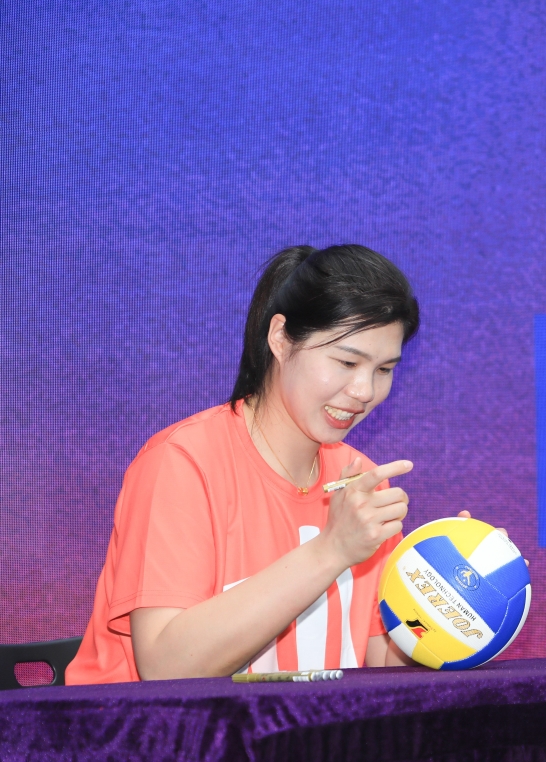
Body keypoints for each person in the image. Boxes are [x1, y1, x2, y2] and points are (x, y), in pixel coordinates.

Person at [68, 244, 447, 683]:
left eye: (384, 370)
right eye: (347, 361)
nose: (365, 390)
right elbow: (167, 667)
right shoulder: (184, 463)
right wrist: (331, 550)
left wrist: (442, 608)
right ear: (280, 339)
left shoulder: (363, 483)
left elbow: (381, 665)